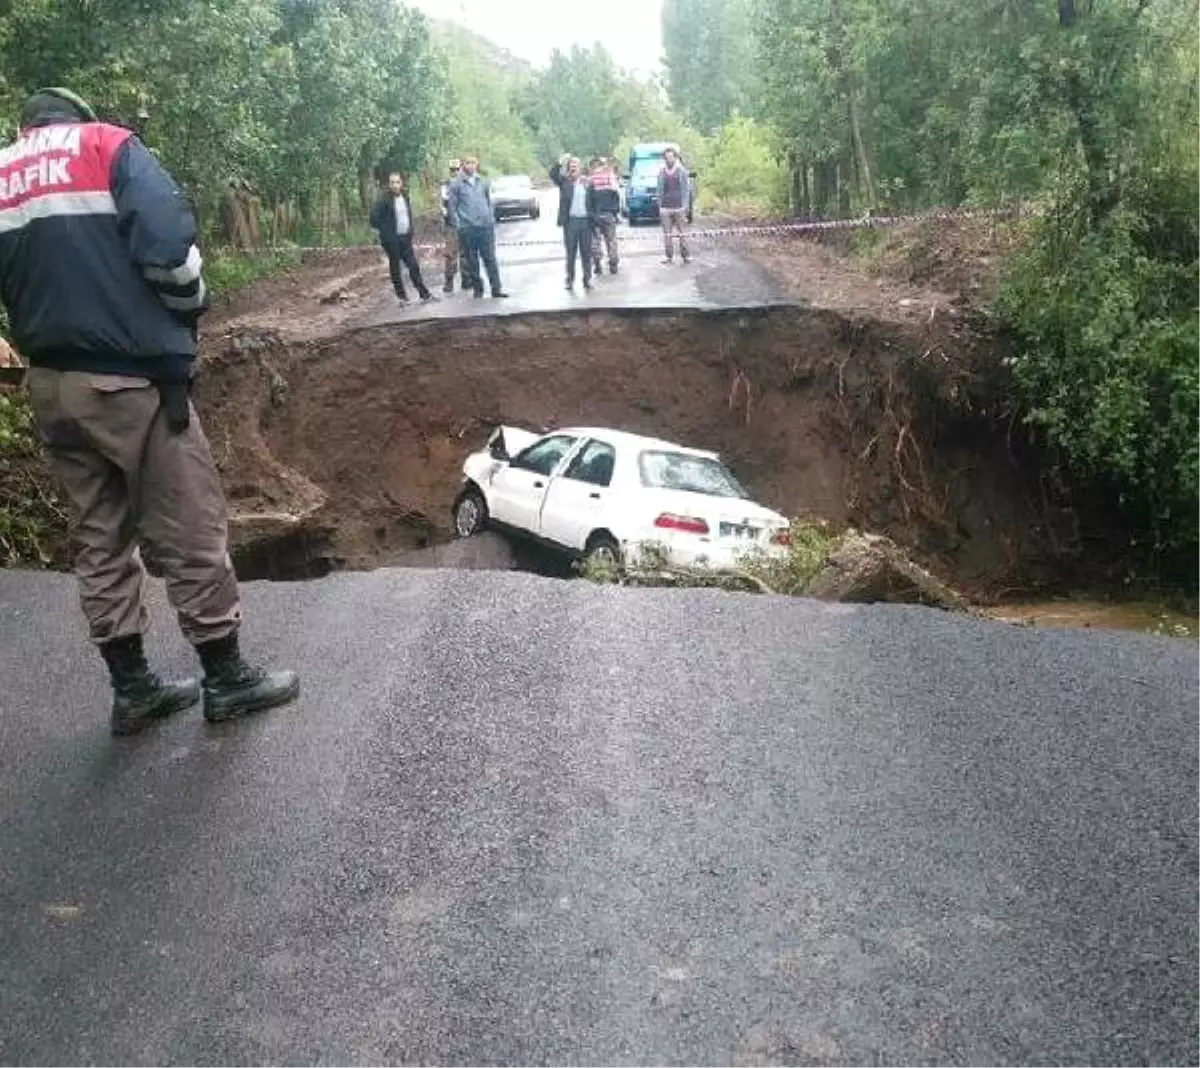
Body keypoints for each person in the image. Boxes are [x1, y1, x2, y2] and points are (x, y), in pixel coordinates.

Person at [0, 87, 299, 736]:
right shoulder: (108, 147)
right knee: (188, 523)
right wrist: (188, 313)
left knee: (98, 537)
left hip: (50, 386)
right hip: (130, 381)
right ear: (76, 117)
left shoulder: (4, 176)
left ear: (27, 127)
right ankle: (225, 677)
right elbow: (168, 250)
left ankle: (133, 689)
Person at [446, 155, 507, 299]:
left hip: (485, 227)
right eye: (468, 163)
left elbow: (489, 201)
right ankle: (478, 289)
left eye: (473, 163)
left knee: (490, 258)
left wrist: (491, 218)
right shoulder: (456, 184)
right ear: (463, 165)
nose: (471, 166)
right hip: (467, 228)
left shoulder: (483, 182)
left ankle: (496, 289)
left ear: (477, 164)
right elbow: (452, 207)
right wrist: (459, 225)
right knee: (471, 260)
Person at [369, 171, 434, 304]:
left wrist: (410, 231)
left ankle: (424, 293)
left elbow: (408, 215)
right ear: (389, 184)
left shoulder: (405, 196)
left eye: (397, 182)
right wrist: (385, 231)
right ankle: (402, 297)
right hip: (391, 240)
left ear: (401, 183)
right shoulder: (384, 200)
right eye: (392, 182)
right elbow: (373, 218)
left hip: (405, 237)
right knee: (396, 268)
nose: (395, 185)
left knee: (413, 265)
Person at [549, 155, 595, 292]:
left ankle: (587, 279)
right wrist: (559, 162)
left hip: (585, 222)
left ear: (580, 167)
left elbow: (594, 201)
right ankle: (569, 280)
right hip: (571, 223)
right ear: (568, 168)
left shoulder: (587, 182)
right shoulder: (564, 181)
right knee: (571, 253)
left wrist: (595, 217)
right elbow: (553, 174)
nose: (574, 167)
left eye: (576, 165)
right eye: (571, 165)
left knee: (586, 253)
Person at [439, 158, 475, 294]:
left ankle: (466, 280)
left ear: (461, 169)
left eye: (456, 169)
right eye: (452, 169)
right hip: (452, 225)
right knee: (450, 255)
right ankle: (449, 282)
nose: (454, 171)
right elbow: (443, 205)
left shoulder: (466, 184)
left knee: (466, 253)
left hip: (465, 224)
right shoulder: (446, 185)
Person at [658, 147, 692, 265]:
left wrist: (685, 206)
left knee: (682, 233)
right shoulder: (662, 172)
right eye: (666, 157)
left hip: (679, 207)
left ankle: (686, 256)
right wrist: (660, 207)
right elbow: (659, 190)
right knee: (667, 234)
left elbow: (686, 190)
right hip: (665, 208)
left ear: (675, 157)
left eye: (671, 157)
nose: (669, 160)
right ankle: (668, 257)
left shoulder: (681, 171)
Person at [589, 157, 621, 276]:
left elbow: (587, 198)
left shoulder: (591, 179)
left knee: (595, 240)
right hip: (609, 214)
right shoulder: (610, 177)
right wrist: (616, 212)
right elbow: (617, 194)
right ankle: (613, 263)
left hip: (595, 215)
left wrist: (590, 213)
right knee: (611, 240)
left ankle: (597, 262)